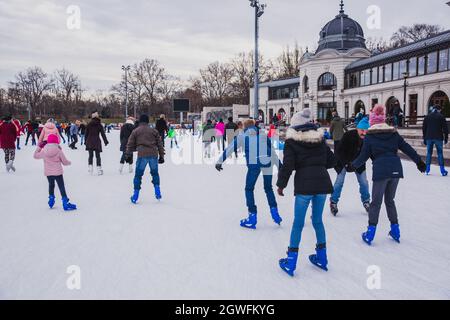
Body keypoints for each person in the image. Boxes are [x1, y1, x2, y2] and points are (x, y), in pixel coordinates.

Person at [352, 105, 426, 245]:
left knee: (376, 203)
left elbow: (363, 156)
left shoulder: (370, 137)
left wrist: (352, 165)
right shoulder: (393, 133)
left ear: (372, 122)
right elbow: (407, 148)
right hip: (396, 170)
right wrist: (419, 162)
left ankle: (370, 233)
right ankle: (395, 230)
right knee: (390, 200)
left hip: (381, 172)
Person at [276, 109, 336, 276]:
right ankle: (322, 258)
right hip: (323, 184)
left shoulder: (292, 141)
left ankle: (291, 260)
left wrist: (281, 185)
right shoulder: (320, 139)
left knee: (298, 223)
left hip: (304, 185)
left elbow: (288, 165)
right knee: (317, 221)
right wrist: (318, 164)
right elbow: (331, 161)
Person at [215, 119, 282, 229]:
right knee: (268, 188)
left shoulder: (243, 136)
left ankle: (252, 217)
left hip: (254, 164)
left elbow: (231, 148)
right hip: (267, 162)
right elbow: (271, 150)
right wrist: (280, 165)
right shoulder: (262, 134)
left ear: (245, 127)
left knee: (249, 189)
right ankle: (275, 213)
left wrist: (219, 161)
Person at [330, 116, 371, 216]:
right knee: (339, 181)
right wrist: (346, 164)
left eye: (366, 131)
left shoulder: (368, 139)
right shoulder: (348, 135)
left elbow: (370, 153)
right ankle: (333, 202)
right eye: (362, 130)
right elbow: (339, 151)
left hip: (359, 163)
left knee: (364, 182)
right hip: (343, 161)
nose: (364, 133)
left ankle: (366, 201)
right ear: (357, 128)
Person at [125, 114, 165, 203]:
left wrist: (128, 154)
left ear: (140, 121)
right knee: (155, 174)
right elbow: (160, 144)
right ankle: (157, 191)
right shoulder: (153, 131)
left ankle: (135, 195)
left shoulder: (136, 131)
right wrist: (161, 156)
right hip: (153, 155)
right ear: (147, 121)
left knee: (138, 175)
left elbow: (130, 143)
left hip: (142, 155)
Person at [33, 134, 76, 211]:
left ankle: (51, 200)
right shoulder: (59, 150)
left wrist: (39, 147)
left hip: (48, 173)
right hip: (58, 172)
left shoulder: (44, 150)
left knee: (51, 185)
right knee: (61, 186)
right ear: (56, 141)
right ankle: (65, 202)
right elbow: (65, 162)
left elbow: (35, 156)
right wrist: (69, 162)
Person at [422, 105, 448, 176]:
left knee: (429, 153)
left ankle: (427, 170)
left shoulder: (427, 117)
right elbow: (445, 129)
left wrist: (424, 138)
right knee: (440, 153)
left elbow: (424, 128)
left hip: (429, 137)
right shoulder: (441, 116)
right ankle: (442, 171)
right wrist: (446, 138)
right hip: (438, 138)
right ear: (439, 109)